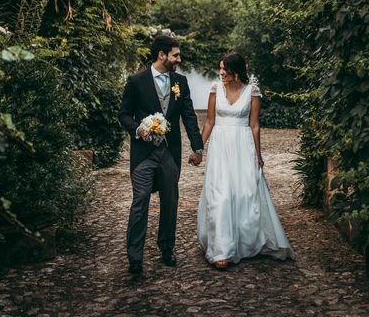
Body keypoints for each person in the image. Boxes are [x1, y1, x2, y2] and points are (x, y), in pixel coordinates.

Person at [195, 52, 296, 269]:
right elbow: (210, 122)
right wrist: (198, 149)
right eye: (220, 68)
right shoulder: (215, 89)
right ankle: (222, 249)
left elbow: (254, 125)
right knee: (220, 195)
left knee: (244, 194)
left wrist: (258, 155)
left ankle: (244, 242)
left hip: (243, 146)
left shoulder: (252, 91)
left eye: (225, 69)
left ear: (236, 71)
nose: (221, 73)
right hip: (220, 147)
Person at [119, 35, 204, 275]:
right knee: (140, 201)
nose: (179, 59)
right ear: (162, 55)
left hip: (169, 152)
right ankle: (135, 257)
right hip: (143, 154)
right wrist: (138, 129)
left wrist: (197, 147)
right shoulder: (136, 81)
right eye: (176, 55)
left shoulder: (180, 81)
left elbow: (188, 115)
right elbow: (124, 114)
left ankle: (167, 248)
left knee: (170, 201)